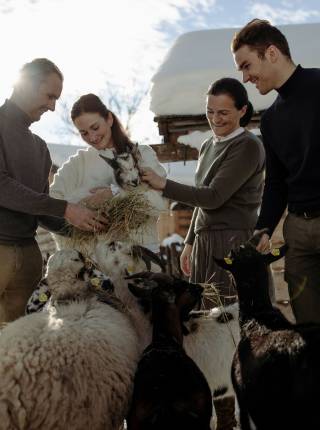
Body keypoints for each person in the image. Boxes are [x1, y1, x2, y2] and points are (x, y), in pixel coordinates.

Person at [141, 78, 265, 305]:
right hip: (205, 241)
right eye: (210, 111)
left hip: (232, 242)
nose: (215, 119)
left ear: (243, 110)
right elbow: (201, 197)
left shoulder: (247, 146)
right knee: (205, 318)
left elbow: (213, 197)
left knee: (229, 317)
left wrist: (163, 184)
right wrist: (190, 241)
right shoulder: (209, 145)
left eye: (224, 113)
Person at [0, 58, 106, 324]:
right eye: (49, 96)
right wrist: (66, 208)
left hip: (28, 258)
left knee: (20, 346)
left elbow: (42, 207)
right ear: (25, 84)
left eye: (56, 99)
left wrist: (83, 223)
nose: (52, 106)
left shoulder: (40, 148)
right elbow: (2, 187)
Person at [231, 19, 320, 324]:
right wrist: (264, 227)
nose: (244, 78)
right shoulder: (270, 121)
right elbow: (277, 183)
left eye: (246, 65)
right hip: (298, 234)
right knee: (308, 330)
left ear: (271, 53)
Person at [50, 93, 167, 252]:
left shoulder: (142, 154)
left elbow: (159, 202)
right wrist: (77, 211)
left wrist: (114, 193)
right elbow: (51, 204)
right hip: (96, 263)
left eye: (95, 127)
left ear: (109, 119)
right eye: (84, 133)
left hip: (140, 255)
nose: (92, 137)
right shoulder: (78, 163)